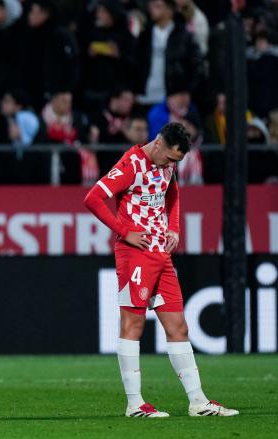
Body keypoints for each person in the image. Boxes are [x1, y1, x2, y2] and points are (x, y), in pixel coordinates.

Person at [83, 122, 239, 418]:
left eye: (176, 161)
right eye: (170, 158)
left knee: (178, 327)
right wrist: (124, 231)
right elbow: (92, 198)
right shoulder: (131, 165)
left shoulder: (167, 164)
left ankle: (198, 402)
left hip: (161, 254)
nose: (171, 164)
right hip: (135, 254)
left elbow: (173, 194)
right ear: (158, 143)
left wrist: (175, 227)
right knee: (133, 325)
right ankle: (134, 404)